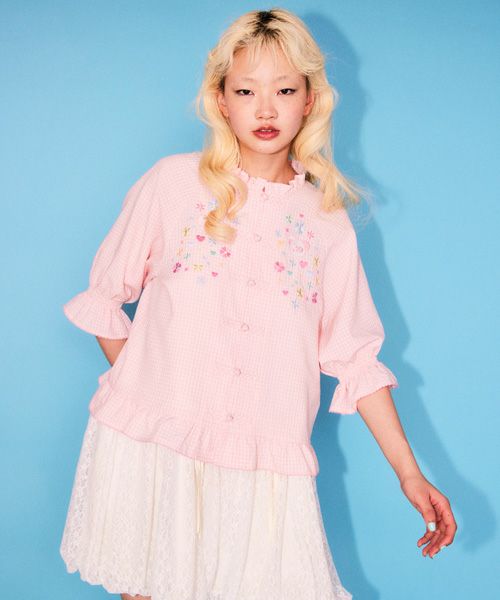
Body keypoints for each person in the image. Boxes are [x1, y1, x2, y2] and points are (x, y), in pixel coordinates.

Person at [59, 8, 457, 600]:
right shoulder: (172, 184)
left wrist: (410, 473)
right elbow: (104, 297)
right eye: (246, 91)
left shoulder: (326, 224)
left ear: (310, 100)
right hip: (156, 452)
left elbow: (355, 358)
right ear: (221, 101)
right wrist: (155, 391)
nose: (265, 110)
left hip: (263, 466)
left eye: (284, 91)